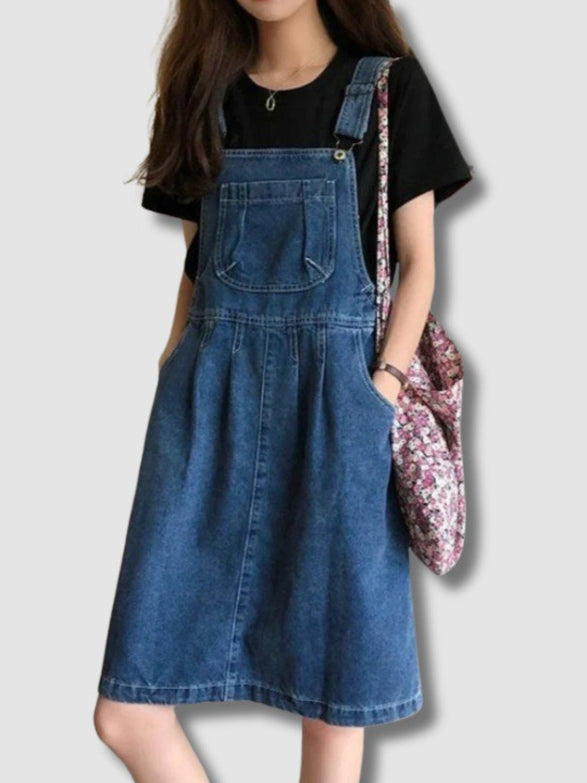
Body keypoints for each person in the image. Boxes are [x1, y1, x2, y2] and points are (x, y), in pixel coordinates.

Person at [93, 1, 473, 781]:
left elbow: (418, 264)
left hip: (339, 404)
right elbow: (198, 263)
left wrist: (380, 388)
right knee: (126, 711)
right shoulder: (201, 93)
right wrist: (173, 362)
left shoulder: (387, 89)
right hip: (208, 403)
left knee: (330, 698)